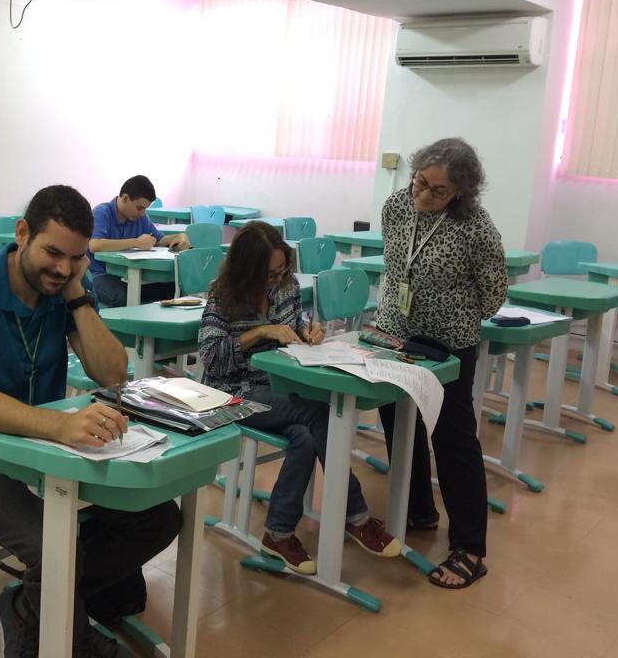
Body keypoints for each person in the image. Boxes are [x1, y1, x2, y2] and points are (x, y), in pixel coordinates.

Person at [0, 184, 180, 658]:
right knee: (52, 543)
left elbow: (112, 373)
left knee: (159, 518)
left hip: (39, 445)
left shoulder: (65, 289)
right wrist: (60, 426)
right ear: (22, 233)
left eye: (75, 258)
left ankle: (30, 601)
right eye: (52, 253)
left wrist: (78, 293)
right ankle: (66, 631)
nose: (61, 268)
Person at [198, 221, 402, 574]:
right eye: (269, 274)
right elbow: (211, 356)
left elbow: (295, 324)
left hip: (278, 382)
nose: (277, 279)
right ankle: (356, 515)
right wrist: (260, 331)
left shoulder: (286, 286)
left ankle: (278, 532)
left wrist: (308, 330)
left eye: (281, 271)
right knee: (318, 413)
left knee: (305, 435)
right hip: (230, 392)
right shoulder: (223, 296)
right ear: (247, 271)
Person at [376, 138, 508, 590]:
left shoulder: (475, 228)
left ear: (461, 193)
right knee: (397, 421)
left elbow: (493, 296)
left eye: (437, 190)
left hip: (447, 346)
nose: (422, 195)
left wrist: (451, 309)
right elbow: (396, 269)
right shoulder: (396, 206)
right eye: (420, 182)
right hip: (394, 334)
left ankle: (471, 547)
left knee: (452, 439)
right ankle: (417, 510)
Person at [87, 175, 191, 307]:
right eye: (139, 208)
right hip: (99, 274)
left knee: (173, 289)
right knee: (121, 296)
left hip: (129, 277)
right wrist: (135, 242)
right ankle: (120, 327)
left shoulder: (138, 217)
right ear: (125, 198)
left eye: (145, 209)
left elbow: (159, 240)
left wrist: (180, 236)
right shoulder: (102, 212)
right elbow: (95, 245)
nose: (142, 213)